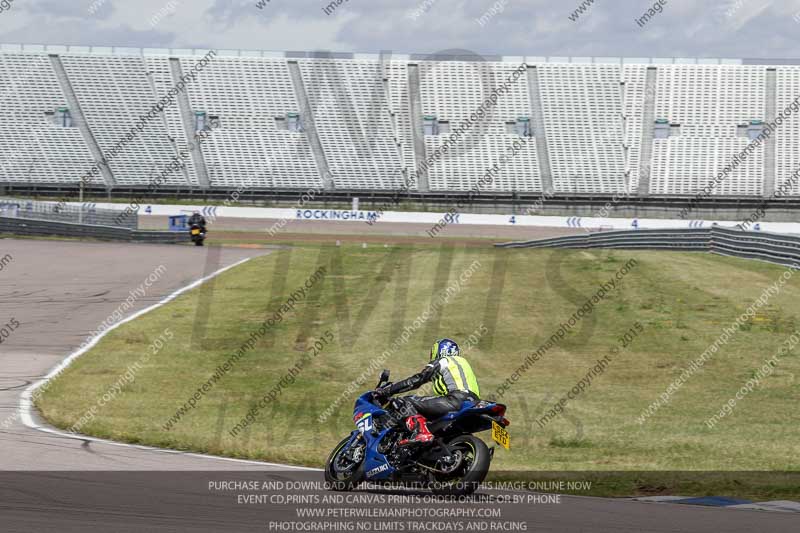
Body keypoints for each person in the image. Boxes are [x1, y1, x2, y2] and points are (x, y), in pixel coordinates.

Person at [375, 338, 481, 446]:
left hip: (454, 400)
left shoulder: (443, 361)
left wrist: (389, 390)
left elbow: (418, 380)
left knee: (407, 401)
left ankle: (421, 433)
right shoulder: (464, 364)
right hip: (473, 403)